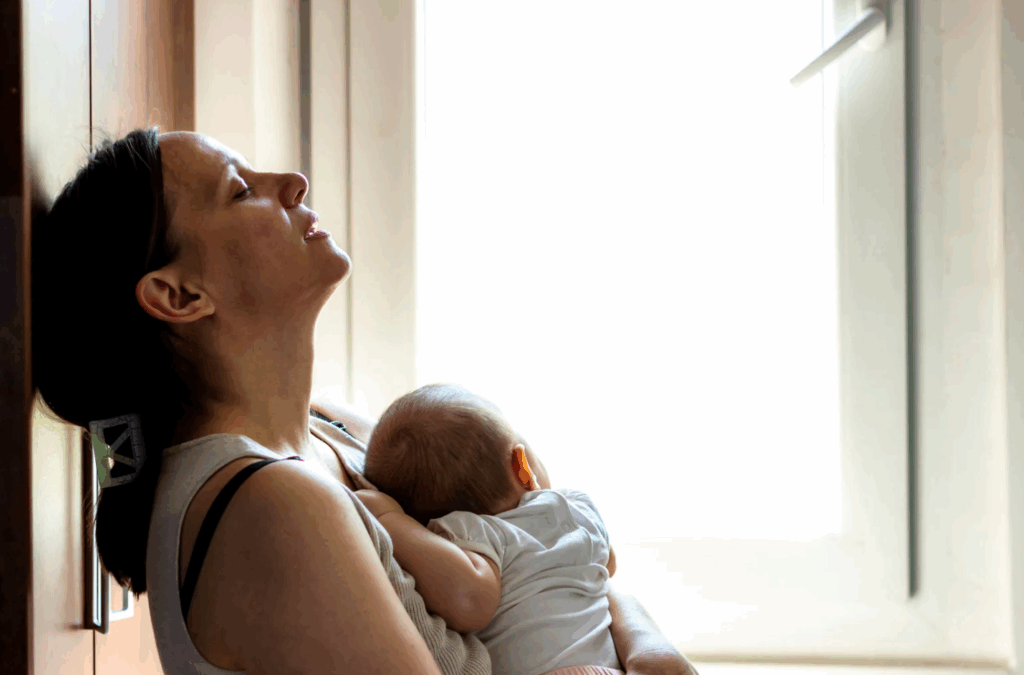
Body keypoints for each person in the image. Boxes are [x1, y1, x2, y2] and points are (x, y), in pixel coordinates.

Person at [31, 127, 698, 675]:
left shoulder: (336, 432)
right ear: (179, 296)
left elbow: (545, 541)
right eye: (240, 190)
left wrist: (647, 640)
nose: (291, 182)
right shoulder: (271, 505)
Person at [357, 384, 622, 675]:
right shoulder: (575, 507)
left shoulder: (472, 535)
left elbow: (469, 603)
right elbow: (607, 564)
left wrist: (388, 517)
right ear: (521, 465)